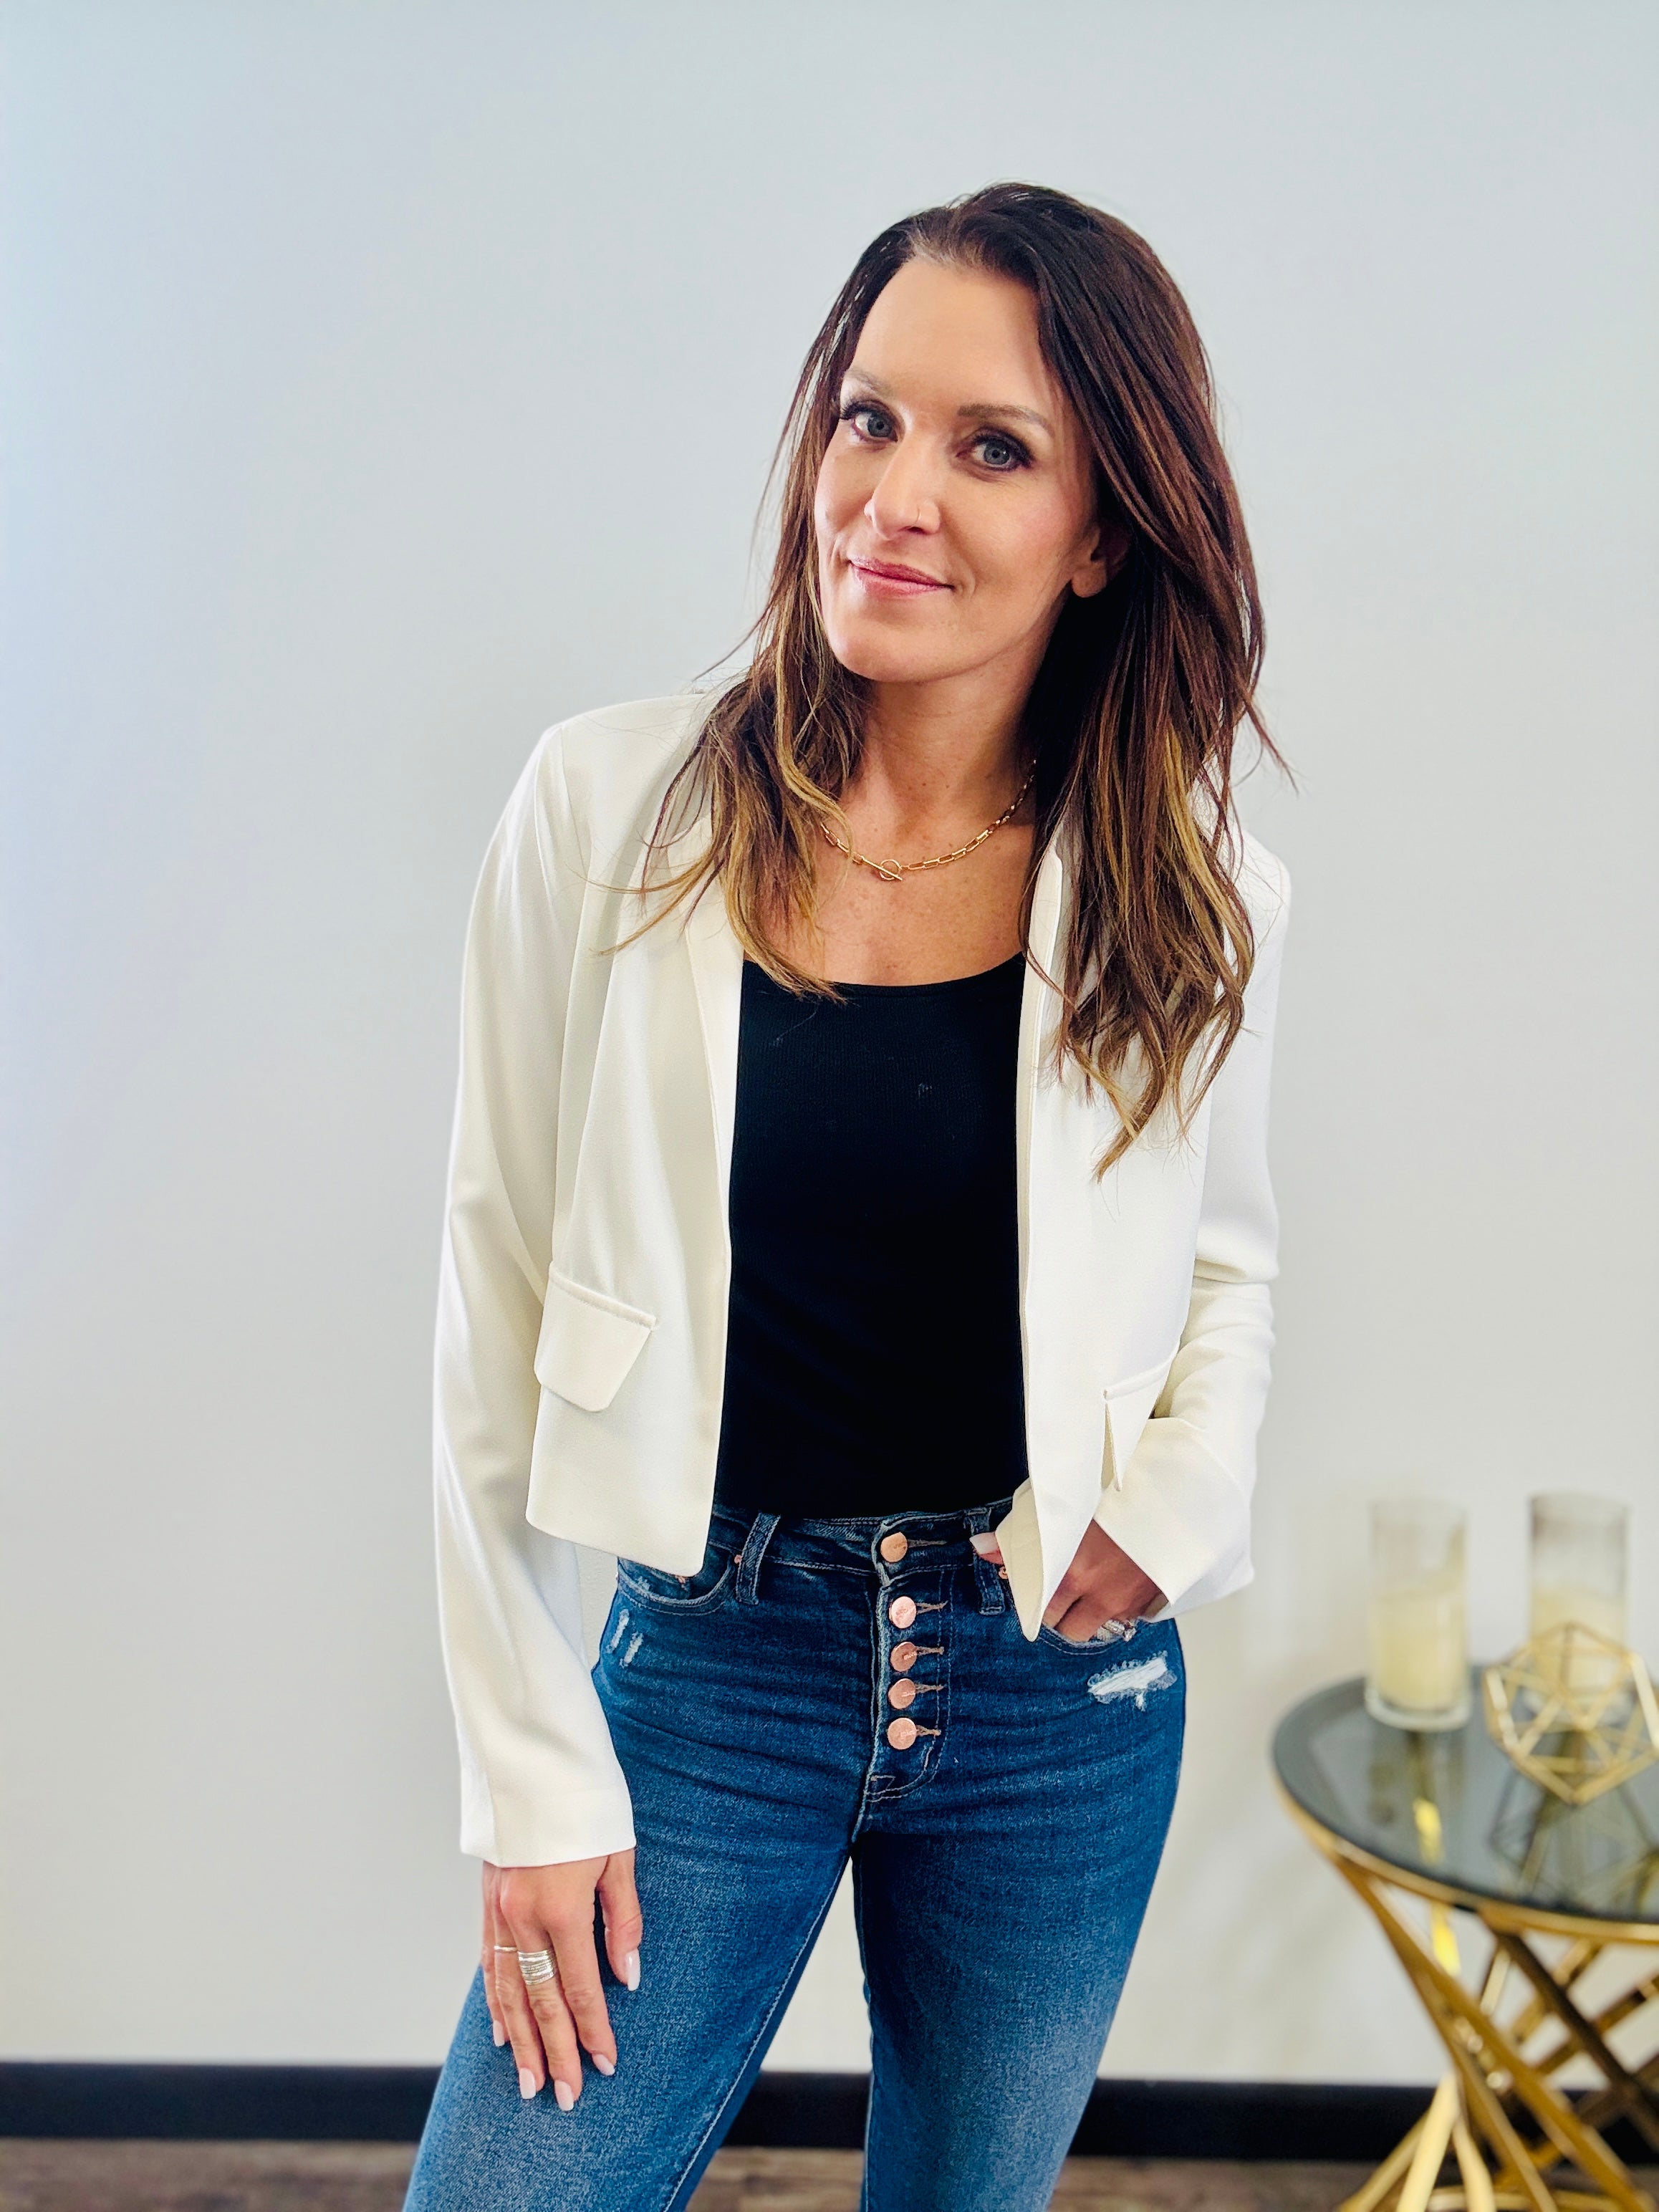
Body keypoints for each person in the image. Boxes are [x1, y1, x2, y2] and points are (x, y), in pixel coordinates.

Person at [405, 180, 1292, 2212]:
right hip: (714, 1659)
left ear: (1102, 534)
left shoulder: (1192, 878)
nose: (892, 495)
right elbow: (491, 1292)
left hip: (1054, 1699)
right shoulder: (606, 811)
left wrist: (1170, 1511)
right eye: (868, 417)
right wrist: (526, 1766)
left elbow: (1224, 1268)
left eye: (993, 449)